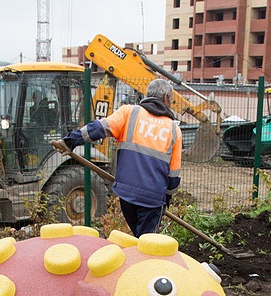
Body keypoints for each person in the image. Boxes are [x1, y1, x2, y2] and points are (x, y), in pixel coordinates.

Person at [59, 78, 181, 237]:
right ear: (166, 98)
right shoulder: (174, 130)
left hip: (126, 194)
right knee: (147, 243)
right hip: (152, 199)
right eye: (171, 100)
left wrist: (70, 140)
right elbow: (173, 176)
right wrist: (167, 199)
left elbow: (98, 128)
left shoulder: (129, 113)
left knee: (139, 237)